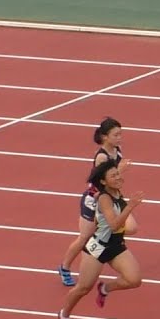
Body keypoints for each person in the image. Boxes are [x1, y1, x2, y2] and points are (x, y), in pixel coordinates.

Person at [58, 158, 144, 319]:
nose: (119, 177)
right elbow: (113, 225)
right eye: (114, 175)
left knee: (134, 280)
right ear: (103, 181)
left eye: (118, 174)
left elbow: (105, 222)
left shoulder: (116, 191)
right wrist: (131, 206)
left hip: (116, 245)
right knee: (83, 288)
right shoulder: (104, 198)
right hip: (98, 249)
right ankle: (64, 315)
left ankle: (105, 288)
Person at [56, 117, 128, 286]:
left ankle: (105, 257)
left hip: (108, 197)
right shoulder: (102, 157)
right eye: (116, 135)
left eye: (120, 134)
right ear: (105, 137)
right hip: (94, 199)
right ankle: (65, 267)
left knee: (125, 227)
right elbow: (100, 181)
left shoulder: (117, 149)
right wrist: (120, 170)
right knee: (85, 237)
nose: (120, 138)